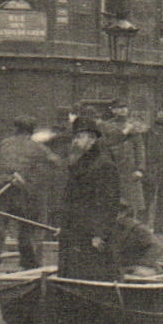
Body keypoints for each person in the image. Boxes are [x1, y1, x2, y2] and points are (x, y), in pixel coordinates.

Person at [0, 116, 63, 275]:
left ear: (16, 129)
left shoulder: (5, 143)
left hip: (0, 188)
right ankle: (30, 263)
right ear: (32, 131)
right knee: (29, 227)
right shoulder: (37, 147)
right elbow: (56, 162)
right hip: (24, 191)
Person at [56, 118, 120, 281]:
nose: (75, 141)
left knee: (92, 276)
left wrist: (100, 234)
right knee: (71, 275)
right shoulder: (79, 162)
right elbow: (69, 198)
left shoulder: (104, 164)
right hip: (74, 231)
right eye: (74, 137)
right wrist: (63, 225)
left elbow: (108, 203)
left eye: (79, 137)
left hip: (92, 235)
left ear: (92, 138)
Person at [98, 98, 149, 226]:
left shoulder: (133, 127)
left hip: (130, 171)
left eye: (124, 107)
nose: (122, 110)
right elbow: (105, 145)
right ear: (113, 110)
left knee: (132, 205)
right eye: (119, 108)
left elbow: (140, 149)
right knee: (112, 203)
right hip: (113, 169)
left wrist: (140, 169)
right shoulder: (106, 126)